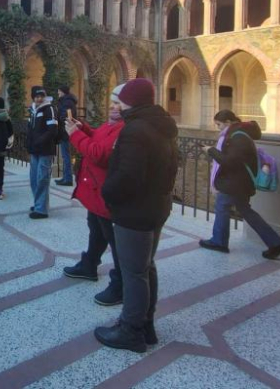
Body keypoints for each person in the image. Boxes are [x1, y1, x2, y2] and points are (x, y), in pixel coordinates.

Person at [94, 78, 179, 354]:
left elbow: (127, 176)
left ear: (134, 101)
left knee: (133, 273)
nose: (118, 105)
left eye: (121, 100)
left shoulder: (135, 130)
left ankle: (130, 331)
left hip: (135, 212)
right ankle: (146, 325)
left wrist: (107, 192)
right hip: (157, 207)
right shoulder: (163, 126)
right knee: (146, 267)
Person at [62, 84, 125, 306]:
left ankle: (121, 284)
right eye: (112, 102)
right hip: (95, 191)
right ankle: (89, 265)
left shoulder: (124, 129)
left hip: (105, 191)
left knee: (115, 241)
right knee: (96, 231)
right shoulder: (111, 126)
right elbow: (99, 137)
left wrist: (75, 135)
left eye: (118, 103)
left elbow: (100, 155)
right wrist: (84, 128)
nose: (112, 107)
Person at [199, 110, 280, 259]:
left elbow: (229, 161)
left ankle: (219, 242)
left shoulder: (238, 137)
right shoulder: (241, 134)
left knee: (222, 208)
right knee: (246, 212)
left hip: (234, 183)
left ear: (228, 122)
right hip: (240, 182)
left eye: (219, 125)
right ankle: (276, 243)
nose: (218, 128)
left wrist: (211, 150)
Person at [27, 86, 59, 219]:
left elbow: (52, 130)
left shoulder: (49, 109)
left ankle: (41, 210)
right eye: (37, 96)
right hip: (34, 150)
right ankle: (38, 203)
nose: (39, 98)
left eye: (41, 96)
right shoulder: (33, 110)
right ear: (33, 97)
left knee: (42, 179)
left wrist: (39, 141)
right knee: (34, 179)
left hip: (45, 150)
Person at [54, 85, 78, 187]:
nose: (58, 94)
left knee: (66, 156)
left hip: (65, 131)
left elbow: (67, 116)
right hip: (65, 131)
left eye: (59, 92)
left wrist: (59, 117)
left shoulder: (67, 102)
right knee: (65, 156)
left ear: (63, 92)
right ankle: (66, 178)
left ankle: (68, 179)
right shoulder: (67, 101)